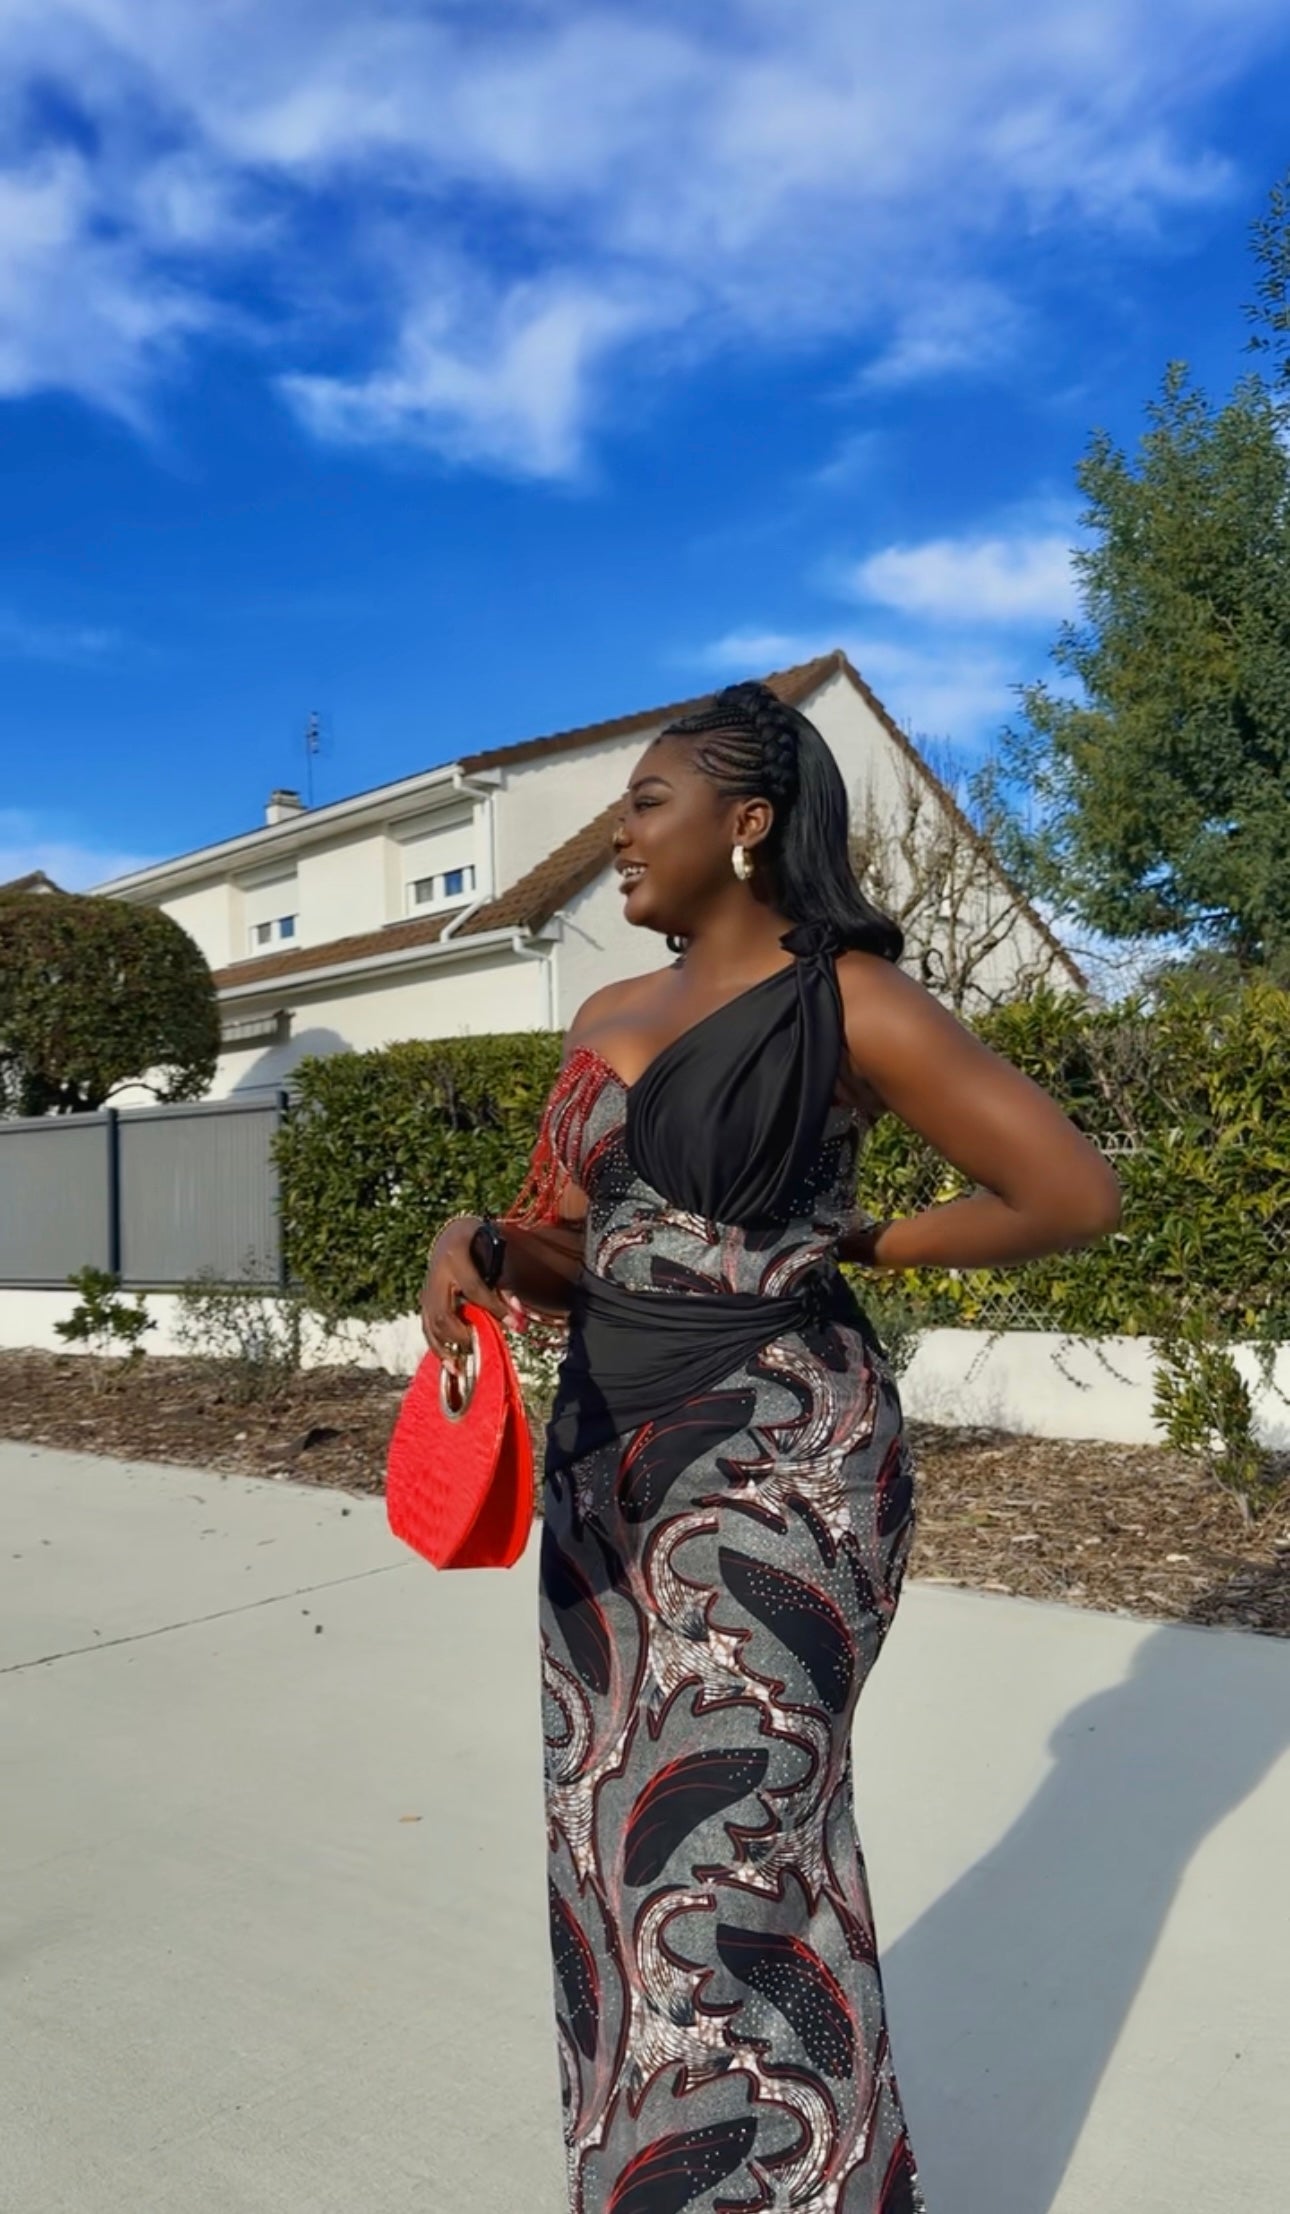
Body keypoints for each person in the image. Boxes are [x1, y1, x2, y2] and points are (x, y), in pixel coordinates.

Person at [420, 681, 1121, 2214]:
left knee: (744, 1848)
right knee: (612, 1843)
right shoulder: (603, 1018)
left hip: (779, 1470)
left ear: (746, 823)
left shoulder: (848, 1002)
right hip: (606, 1472)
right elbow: (573, 1246)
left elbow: (1067, 1192)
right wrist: (485, 1243)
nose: (618, 832)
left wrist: (863, 1238)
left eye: (646, 801)